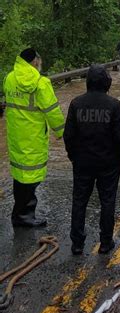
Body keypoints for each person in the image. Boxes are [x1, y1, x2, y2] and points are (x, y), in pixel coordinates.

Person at [64, 65, 120, 255]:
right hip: (108, 163)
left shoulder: (76, 103)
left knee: (79, 201)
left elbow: (68, 135)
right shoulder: (114, 105)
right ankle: (106, 242)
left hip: (82, 162)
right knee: (108, 201)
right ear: (107, 82)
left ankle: (77, 244)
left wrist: (73, 156)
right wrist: (118, 159)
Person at [3, 48, 65, 227]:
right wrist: (61, 132)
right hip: (33, 136)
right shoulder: (41, 83)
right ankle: (24, 216)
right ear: (34, 62)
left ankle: (19, 213)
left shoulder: (9, 78)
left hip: (15, 136)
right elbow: (52, 111)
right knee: (32, 176)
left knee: (20, 175)